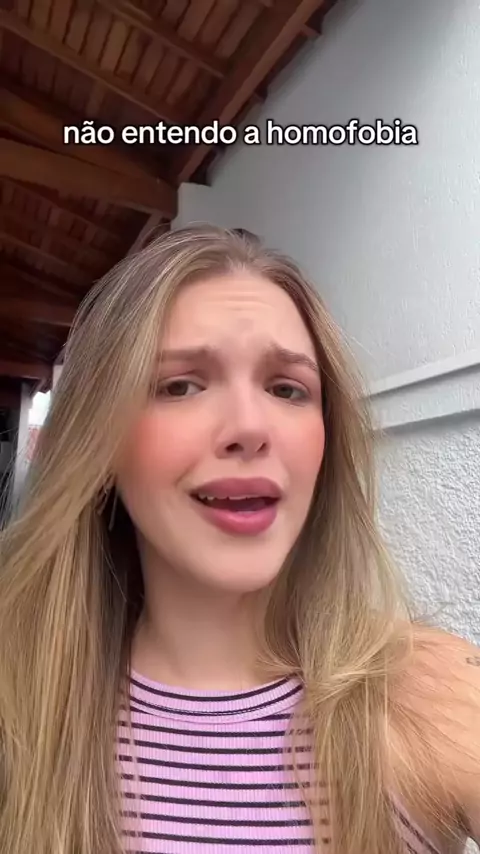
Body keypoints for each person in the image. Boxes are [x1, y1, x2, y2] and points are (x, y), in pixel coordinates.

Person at [0, 224, 478, 854]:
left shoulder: (428, 691)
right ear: (100, 442)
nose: (250, 428)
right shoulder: (16, 698)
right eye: (180, 385)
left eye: (287, 389)